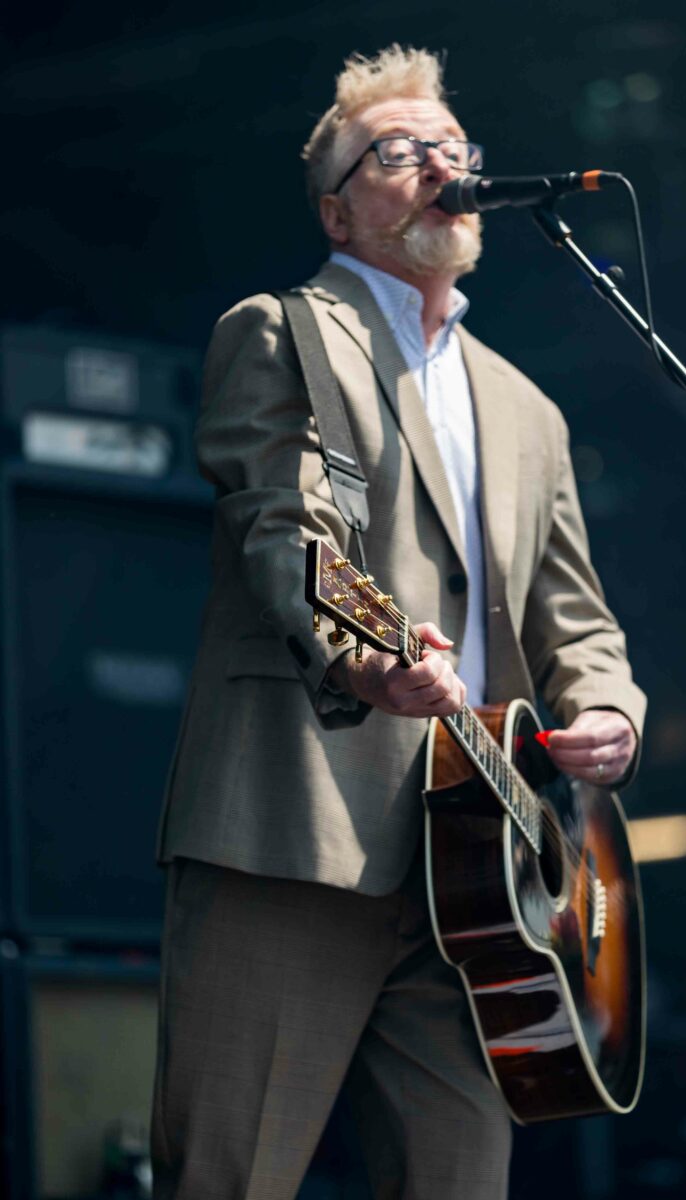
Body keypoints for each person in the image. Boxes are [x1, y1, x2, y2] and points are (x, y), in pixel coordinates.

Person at [151, 44, 646, 1200]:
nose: (436, 164)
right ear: (337, 210)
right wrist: (369, 660)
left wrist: (606, 713)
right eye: (396, 151)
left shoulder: (526, 407)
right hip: (296, 828)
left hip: (483, 875)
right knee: (228, 1176)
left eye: (450, 147)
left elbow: (575, 617)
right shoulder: (283, 331)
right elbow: (286, 528)